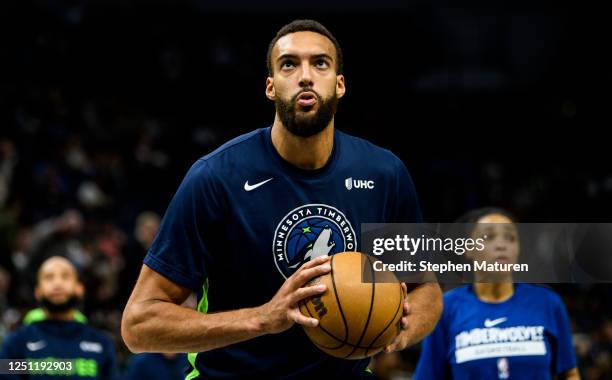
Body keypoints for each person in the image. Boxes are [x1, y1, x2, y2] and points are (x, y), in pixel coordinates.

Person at [121, 19, 442, 379]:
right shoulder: (216, 177)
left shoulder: (385, 173)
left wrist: (396, 329)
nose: (305, 76)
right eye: (289, 64)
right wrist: (262, 318)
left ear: (339, 85)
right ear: (271, 87)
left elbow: (424, 287)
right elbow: (139, 324)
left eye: (320, 63)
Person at [414, 207, 580, 380]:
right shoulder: (446, 308)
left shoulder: (547, 302)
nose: (502, 245)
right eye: (488, 237)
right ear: (468, 249)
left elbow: (569, 373)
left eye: (510, 238)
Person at [0, 256, 119, 380]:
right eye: (49, 277)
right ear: (37, 291)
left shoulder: (102, 344)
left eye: (65, 276)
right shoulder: (16, 343)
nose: (57, 283)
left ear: (79, 288)